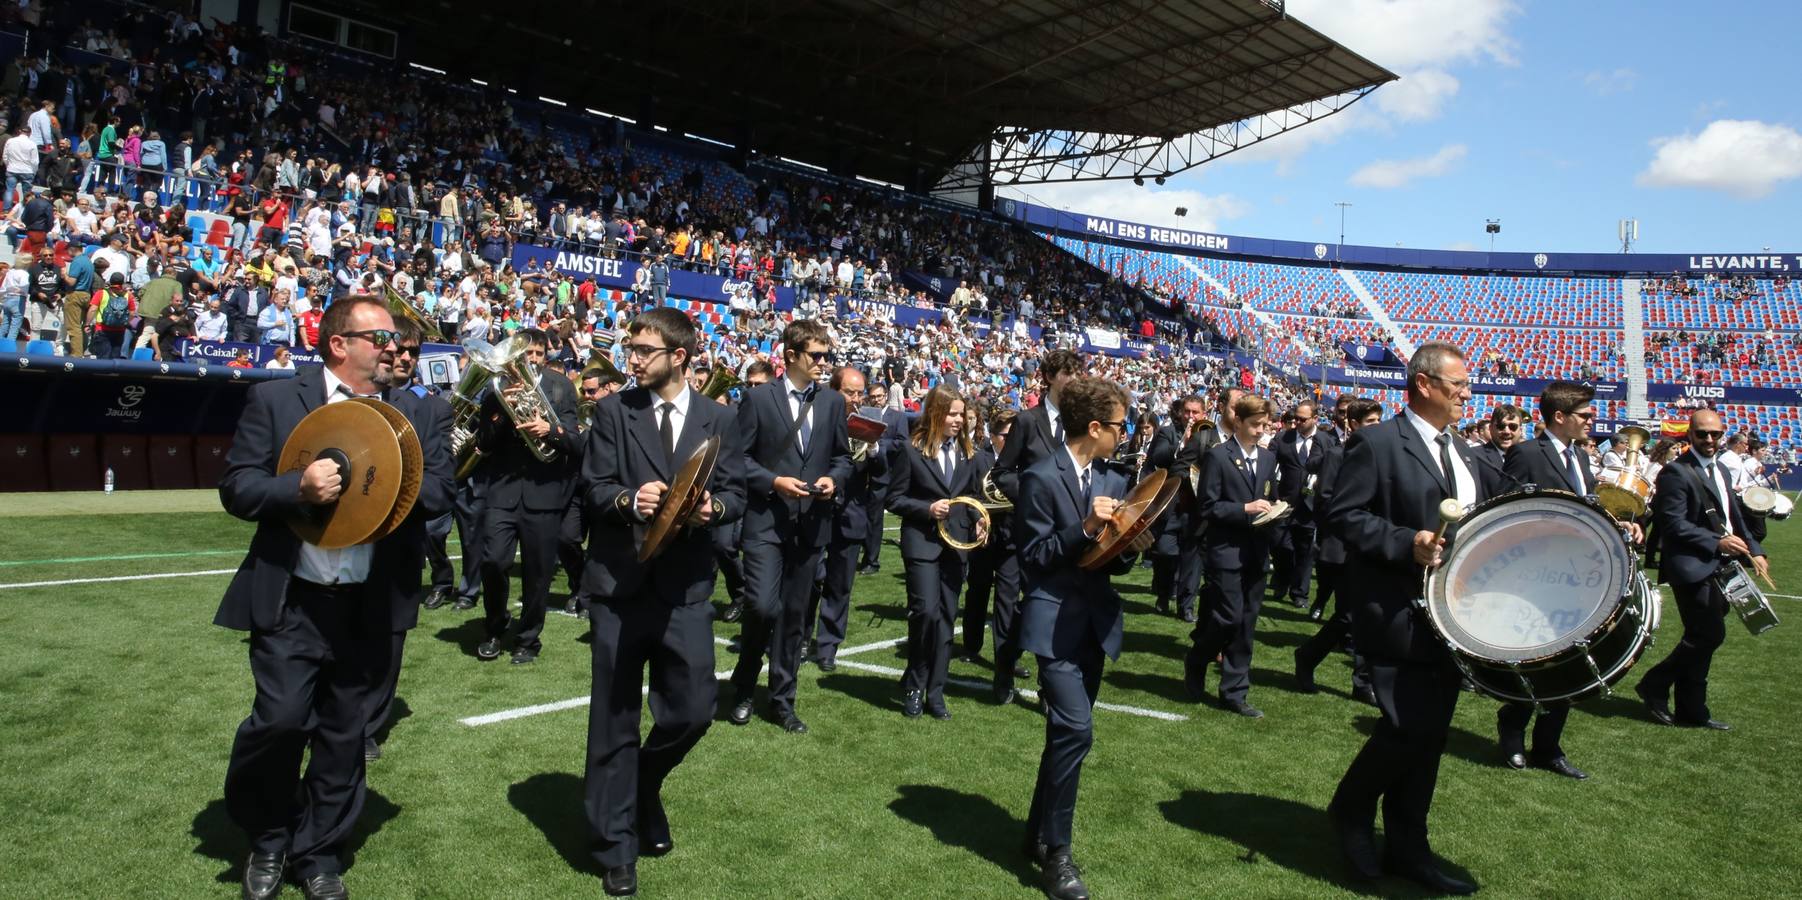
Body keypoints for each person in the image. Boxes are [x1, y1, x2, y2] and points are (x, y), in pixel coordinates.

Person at [215, 296, 452, 900]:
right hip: (293, 597)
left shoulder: (417, 412)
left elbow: (442, 493)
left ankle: (318, 852)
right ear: (339, 344)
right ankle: (268, 836)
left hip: (370, 604)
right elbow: (238, 488)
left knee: (345, 735)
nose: (394, 347)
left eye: (397, 337)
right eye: (381, 338)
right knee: (281, 722)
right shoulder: (276, 399)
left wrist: (395, 470)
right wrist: (300, 486)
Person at [580, 308, 746, 898]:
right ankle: (615, 845)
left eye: (644, 350)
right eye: (631, 348)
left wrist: (713, 511)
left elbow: (735, 493)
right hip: (620, 589)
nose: (632, 358)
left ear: (679, 356)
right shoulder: (611, 411)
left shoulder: (720, 417)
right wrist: (630, 500)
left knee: (695, 710)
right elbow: (594, 488)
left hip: (687, 590)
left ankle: (642, 784)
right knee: (614, 720)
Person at [1323, 341, 1494, 895]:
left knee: (1430, 737)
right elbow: (1344, 516)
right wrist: (1406, 541)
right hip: (1396, 610)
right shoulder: (1375, 443)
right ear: (1424, 385)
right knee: (1405, 728)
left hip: (1454, 617)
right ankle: (1350, 811)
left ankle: (1407, 845)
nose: (1468, 393)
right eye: (1458, 384)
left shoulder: (1467, 453)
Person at [1016, 376, 1147, 900]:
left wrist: (1133, 543)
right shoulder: (1040, 477)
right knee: (1076, 731)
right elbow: (1034, 558)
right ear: (1094, 427)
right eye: (1120, 425)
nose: (1125, 433)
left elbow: (1110, 561)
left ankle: (1035, 834)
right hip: (1053, 624)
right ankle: (1059, 855)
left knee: (1063, 738)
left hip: (1095, 624)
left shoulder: (1110, 478)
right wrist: (1084, 529)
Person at [727, 319, 851, 734]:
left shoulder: (832, 403)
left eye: (826, 355)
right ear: (792, 355)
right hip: (766, 521)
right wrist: (774, 481)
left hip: (811, 524)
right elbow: (738, 460)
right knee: (762, 606)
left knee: (795, 617)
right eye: (816, 356)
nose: (823, 363)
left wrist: (835, 479)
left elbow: (842, 457)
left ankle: (782, 700)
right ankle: (744, 684)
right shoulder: (759, 399)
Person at [1494, 381, 1610, 780]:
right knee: (1536, 659)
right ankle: (1512, 723)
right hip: (1535, 574)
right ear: (1559, 417)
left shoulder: (1580, 456)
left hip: (1576, 576)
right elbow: (1504, 511)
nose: (1592, 421)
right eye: (1586, 415)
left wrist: (1619, 526)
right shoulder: (1527, 453)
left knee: (1569, 663)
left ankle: (1548, 746)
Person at [1636, 408, 1768, 731]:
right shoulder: (1676, 473)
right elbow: (1672, 524)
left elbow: (1733, 515)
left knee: (1701, 637)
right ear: (1690, 435)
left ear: (1723, 435)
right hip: (1691, 567)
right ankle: (1654, 684)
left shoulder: (1721, 470)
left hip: (1721, 567)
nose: (1710, 440)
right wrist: (1716, 542)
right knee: (1710, 634)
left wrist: (1755, 550)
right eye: (1702, 434)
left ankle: (1692, 709)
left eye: (1716, 434)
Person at [473, 327, 580, 664]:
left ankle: (528, 639)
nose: (531, 361)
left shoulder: (561, 387)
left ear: (546, 355)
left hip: (544, 495)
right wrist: (505, 407)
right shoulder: (494, 390)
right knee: (492, 562)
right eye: (525, 355)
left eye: (537, 354)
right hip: (502, 493)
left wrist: (550, 430)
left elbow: (576, 443)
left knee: (537, 573)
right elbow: (484, 444)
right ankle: (494, 625)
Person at [363, 320, 444, 762]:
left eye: (412, 350)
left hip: (396, 546)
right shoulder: (348, 399)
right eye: (394, 346)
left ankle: (368, 727)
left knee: (388, 642)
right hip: (336, 549)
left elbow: (439, 489)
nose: (402, 356)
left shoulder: (431, 411)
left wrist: (392, 490)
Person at [991, 348, 1086, 703]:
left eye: (1079, 373)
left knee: (1057, 611)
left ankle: (1050, 687)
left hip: (1067, 538)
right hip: (1027, 534)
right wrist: (1036, 496)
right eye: (1067, 374)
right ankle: (1005, 668)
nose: (1074, 380)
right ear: (1048, 377)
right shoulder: (1028, 421)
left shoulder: (1082, 423)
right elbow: (1002, 473)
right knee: (1019, 609)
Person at [887, 384, 987, 719]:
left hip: (956, 546)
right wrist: (927, 509)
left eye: (962, 414)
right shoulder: (911, 450)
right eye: (954, 414)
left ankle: (936, 690)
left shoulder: (969, 453)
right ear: (936, 413)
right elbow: (894, 498)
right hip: (922, 542)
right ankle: (915, 682)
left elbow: (973, 496)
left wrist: (978, 520)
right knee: (926, 613)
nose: (961, 421)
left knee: (945, 618)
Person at [1182, 394, 1280, 718]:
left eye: (1264, 425)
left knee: (1247, 622)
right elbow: (1208, 506)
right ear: (1237, 421)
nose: (1260, 431)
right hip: (1226, 551)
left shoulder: (1267, 459)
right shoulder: (1218, 457)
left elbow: (1270, 497)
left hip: (1256, 551)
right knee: (1229, 617)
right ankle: (1198, 659)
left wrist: (1277, 511)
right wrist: (1244, 509)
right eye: (1255, 425)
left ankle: (1234, 691)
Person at [1293, 397, 1383, 700]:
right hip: (1343, 547)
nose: (1376, 428)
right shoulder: (1336, 455)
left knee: (1359, 615)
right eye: (1370, 422)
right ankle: (1315, 660)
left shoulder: (1380, 456)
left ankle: (1360, 680)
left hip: (1371, 546)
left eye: (1378, 421)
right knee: (1350, 615)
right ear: (1353, 425)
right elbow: (1325, 502)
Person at [813, 366, 888, 672]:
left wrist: (873, 450)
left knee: (840, 584)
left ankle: (828, 644)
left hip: (851, 514)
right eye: (849, 392)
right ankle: (800, 634)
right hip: (817, 510)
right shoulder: (819, 417)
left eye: (860, 393)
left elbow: (882, 475)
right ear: (834, 390)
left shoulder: (868, 424)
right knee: (809, 578)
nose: (856, 399)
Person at [964, 406, 1028, 701]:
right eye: (1008, 435)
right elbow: (966, 494)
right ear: (994, 435)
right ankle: (971, 646)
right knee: (977, 592)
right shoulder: (979, 459)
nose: (1014, 439)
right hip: (984, 538)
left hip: (1012, 540)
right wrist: (976, 517)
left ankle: (1006, 659)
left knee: (1007, 602)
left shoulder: (1023, 462)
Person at [1146, 395, 1208, 622]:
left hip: (1195, 506)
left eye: (1195, 413)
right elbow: (1158, 457)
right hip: (1171, 505)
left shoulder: (1208, 435)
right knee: (1164, 552)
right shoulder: (1167, 431)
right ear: (1180, 412)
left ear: (1203, 414)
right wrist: (1182, 444)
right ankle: (1163, 593)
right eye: (1187, 412)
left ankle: (1186, 606)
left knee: (1192, 560)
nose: (1190, 417)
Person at [1272, 399, 1333, 608]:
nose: (1296, 422)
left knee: (1306, 552)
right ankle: (1281, 580)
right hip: (1284, 502)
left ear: (1315, 419)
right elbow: (1270, 467)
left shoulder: (1326, 441)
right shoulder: (1282, 438)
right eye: (1295, 417)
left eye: (1302, 419)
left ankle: (1300, 593)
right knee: (1282, 547)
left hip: (1311, 505)